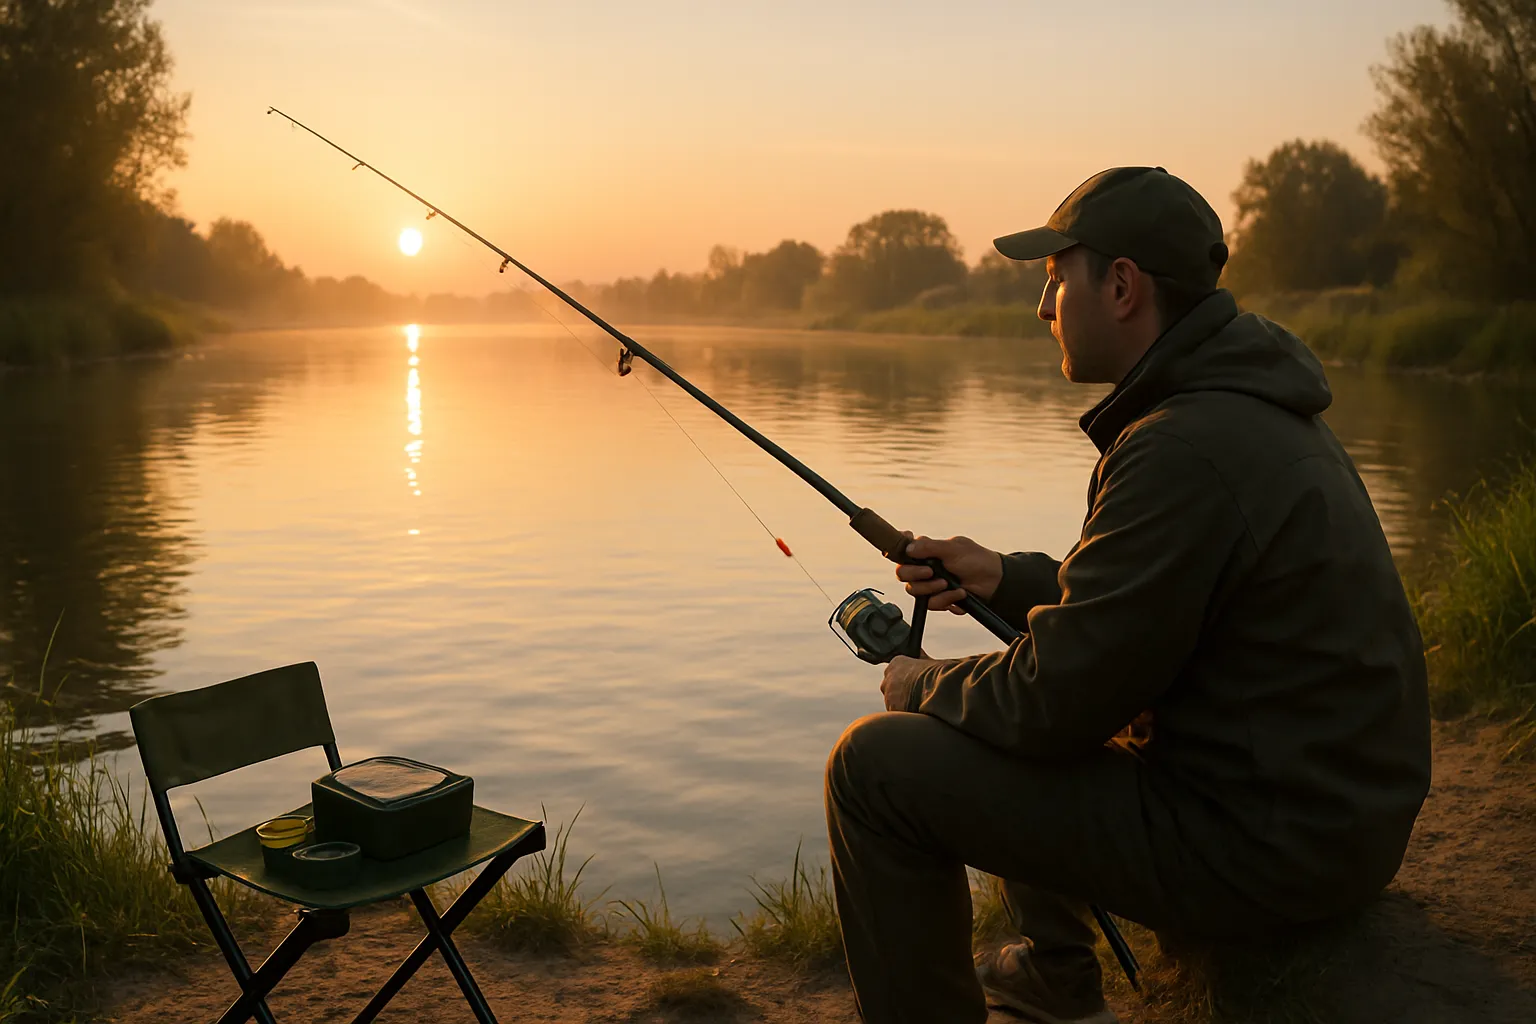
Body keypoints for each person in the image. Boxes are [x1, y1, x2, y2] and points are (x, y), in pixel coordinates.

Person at [823, 166, 1431, 1024]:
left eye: (1054, 278)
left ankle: (1039, 981)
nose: (1043, 307)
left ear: (1120, 286)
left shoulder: (1178, 446)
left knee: (872, 766)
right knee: (1025, 680)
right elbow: (1141, 609)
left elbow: (1052, 702)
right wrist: (1001, 575)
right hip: (1334, 824)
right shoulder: (1245, 407)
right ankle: (1057, 978)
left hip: (1269, 850)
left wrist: (918, 684)